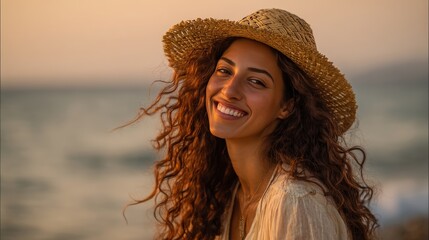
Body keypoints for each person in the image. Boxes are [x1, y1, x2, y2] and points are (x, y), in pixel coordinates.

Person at [127, 8, 378, 240]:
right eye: (224, 71)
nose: (230, 90)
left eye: (256, 82)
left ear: (287, 106)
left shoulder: (295, 202)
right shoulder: (231, 194)